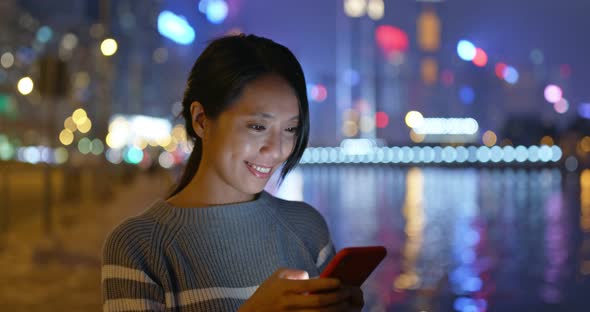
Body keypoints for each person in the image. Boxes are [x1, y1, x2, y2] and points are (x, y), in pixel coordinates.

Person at [101, 34, 364, 311]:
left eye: (290, 129)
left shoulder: (307, 229)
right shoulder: (138, 246)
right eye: (258, 127)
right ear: (201, 120)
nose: (275, 150)